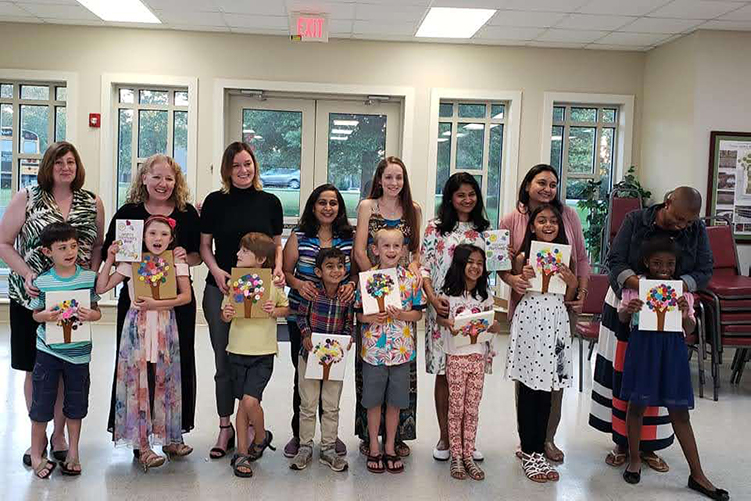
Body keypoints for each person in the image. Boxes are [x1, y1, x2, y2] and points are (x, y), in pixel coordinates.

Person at [590, 187, 714, 473]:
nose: (683, 226)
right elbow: (614, 260)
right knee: (625, 376)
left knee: (659, 381)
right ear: (667, 202)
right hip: (630, 300)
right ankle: (623, 443)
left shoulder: (696, 229)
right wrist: (639, 286)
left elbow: (705, 270)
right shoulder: (636, 219)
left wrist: (677, 288)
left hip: (671, 310)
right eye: (679, 219)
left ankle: (650, 447)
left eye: (688, 222)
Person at [0, 141, 104, 467]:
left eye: (71, 161)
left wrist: (91, 277)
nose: (65, 167)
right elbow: (3, 242)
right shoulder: (27, 198)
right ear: (48, 165)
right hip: (30, 298)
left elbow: (97, 246)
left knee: (67, 369)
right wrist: (27, 273)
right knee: (36, 368)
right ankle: (38, 438)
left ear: (78, 166)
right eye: (59, 162)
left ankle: (60, 437)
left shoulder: (92, 201)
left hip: (73, 300)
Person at [102, 154, 201, 448]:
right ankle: (140, 435)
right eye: (156, 176)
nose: (163, 183)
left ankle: (172, 431)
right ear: (144, 178)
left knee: (175, 365)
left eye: (169, 178)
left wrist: (184, 256)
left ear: (177, 182)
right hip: (137, 302)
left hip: (174, 306)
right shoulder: (128, 213)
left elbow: (196, 255)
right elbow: (113, 252)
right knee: (137, 366)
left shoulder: (186, 214)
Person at [617, 236, 728, 500]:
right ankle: (634, 459)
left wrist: (682, 312)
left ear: (676, 264)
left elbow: (690, 329)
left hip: (673, 351)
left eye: (669, 263)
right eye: (656, 263)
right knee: (637, 406)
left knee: (680, 411)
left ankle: (697, 473)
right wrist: (629, 309)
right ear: (646, 263)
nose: (663, 268)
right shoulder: (636, 288)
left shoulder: (682, 292)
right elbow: (623, 318)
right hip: (643, 349)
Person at [499, 164, 590, 462]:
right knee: (528, 377)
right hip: (528, 309)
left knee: (556, 376)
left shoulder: (569, 216)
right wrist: (514, 279)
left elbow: (581, 260)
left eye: (553, 184)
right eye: (541, 182)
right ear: (528, 185)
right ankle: (529, 440)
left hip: (563, 310)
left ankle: (548, 438)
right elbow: (502, 263)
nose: (547, 188)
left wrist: (580, 294)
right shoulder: (512, 219)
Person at [200, 142, 284, 460]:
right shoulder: (214, 202)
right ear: (227, 169)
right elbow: (205, 245)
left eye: (247, 163)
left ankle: (249, 424)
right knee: (225, 362)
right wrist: (217, 271)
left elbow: (277, 245)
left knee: (253, 357)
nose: (243, 170)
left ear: (255, 165)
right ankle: (226, 426)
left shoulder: (270, 202)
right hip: (221, 288)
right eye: (236, 165)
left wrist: (277, 268)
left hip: (260, 289)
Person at [97, 215, 193, 471]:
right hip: (136, 328)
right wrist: (109, 259)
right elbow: (102, 286)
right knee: (138, 381)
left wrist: (156, 304)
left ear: (171, 238)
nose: (158, 239)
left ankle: (169, 438)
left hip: (164, 326)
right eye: (152, 234)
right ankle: (142, 445)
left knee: (164, 378)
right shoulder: (133, 262)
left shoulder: (176, 261)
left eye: (163, 234)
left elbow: (185, 297)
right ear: (142, 237)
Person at [353, 156, 422, 458]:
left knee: (400, 376)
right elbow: (359, 250)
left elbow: (416, 250)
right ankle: (370, 438)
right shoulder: (368, 207)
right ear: (379, 179)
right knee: (372, 374)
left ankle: (397, 438)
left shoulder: (414, 210)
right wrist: (377, 283)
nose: (394, 183)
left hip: (404, 295)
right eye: (389, 177)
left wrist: (411, 273)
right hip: (375, 287)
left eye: (399, 178)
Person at [505, 204, 577, 483]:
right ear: (531, 226)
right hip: (530, 322)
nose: (548, 225)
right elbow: (516, 287)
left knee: (548, 387)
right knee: (529, 386)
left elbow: (568, 295)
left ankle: (538, 449)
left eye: (553, 222)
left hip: (557, 322)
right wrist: (521, 277)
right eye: (541, 220)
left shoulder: (565, 259)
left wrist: (572, 283)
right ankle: (529, 450)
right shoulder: (524, 256)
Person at [282, 184, 355, 458]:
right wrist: (299, 284)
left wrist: (353, 285)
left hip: (336, 318)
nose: (327, 208)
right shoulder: (299, 235)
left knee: (332, 377)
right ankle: (300, 435)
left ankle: (329, 437)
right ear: (313, 206)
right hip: (304, 315)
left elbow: (356, 273)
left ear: (339, 207)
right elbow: (286, 271)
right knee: (304, 377)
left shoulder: (348, 236)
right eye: (322, 202)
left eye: (333, 203)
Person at [421, 172, 489, 462]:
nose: (467, 199)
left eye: (471, 194)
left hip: (474, 313)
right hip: (443, 312)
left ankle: (467, 439)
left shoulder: (486, 232)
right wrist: (433, 300)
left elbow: (494, 270)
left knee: (471, 377)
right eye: (460, 194)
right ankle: (446, 437)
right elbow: (423, 268)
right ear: (450, 197)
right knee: (445, 373)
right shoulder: (435, 229)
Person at [27, 223, 102, 479]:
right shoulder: (42, 281)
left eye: (73, 245)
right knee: (41, 405)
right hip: (48, 352)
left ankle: (73, 453)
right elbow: (36, 315)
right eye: (62, 248)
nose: (70, 252)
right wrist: (44, 315)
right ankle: (37, 455)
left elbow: (96, 310)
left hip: (79, 355)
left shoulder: (87, 278)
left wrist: (92, 314)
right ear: (48, 252)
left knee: (76, 405)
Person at [220, 232, 289, 478]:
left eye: (244, 252)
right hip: (236, 350)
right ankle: (242, 452)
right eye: (239, 251)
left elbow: (286, 307)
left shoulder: (272, 283)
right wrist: (227, 312)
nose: (238, 254)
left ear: (260, 260)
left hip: (263, 353)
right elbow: (224, 314)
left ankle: (260, 436)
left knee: (250, 401)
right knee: (243, 404)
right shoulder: (234, 283)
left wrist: (275, 310)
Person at [356, 228, 425, 474]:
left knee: (395, 402)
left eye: (397, 246)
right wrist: (371, 318)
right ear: (375, 250)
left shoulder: (411, 280)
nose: (392, 251)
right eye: (386, 246)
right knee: (373, 401)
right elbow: (359, 315)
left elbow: (418, 313)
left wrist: (401, 315)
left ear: (404, 250)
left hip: (402, 352)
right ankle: (373, 445)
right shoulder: (367, 279)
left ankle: (390, 447)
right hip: (374, 352)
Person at [435, 244, 501, 481]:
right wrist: (447, 323)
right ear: (461, 264)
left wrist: (494, 327)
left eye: (480, 263)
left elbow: (494, 326)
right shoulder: (448, 293)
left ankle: (468, 454)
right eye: (470, 262)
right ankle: (456, 456)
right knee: (456, 409)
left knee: (472, 409)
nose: (475, 267)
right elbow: (441, 320)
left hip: (477, 359)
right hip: (456, 358)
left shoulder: (485, 296)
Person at [290, 248, 354, 472]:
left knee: (331, 405)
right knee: (307, 404)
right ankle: (305, 446)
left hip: (335, 362)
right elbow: (300, 317)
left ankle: (328, 448)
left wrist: (348, 338)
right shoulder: (312, 294)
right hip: (309, 357)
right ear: (318, 271)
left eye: (340, 266)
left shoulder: (346, 297)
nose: (336, 271)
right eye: (329, 266)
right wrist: (306, 333)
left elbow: (348, 323)